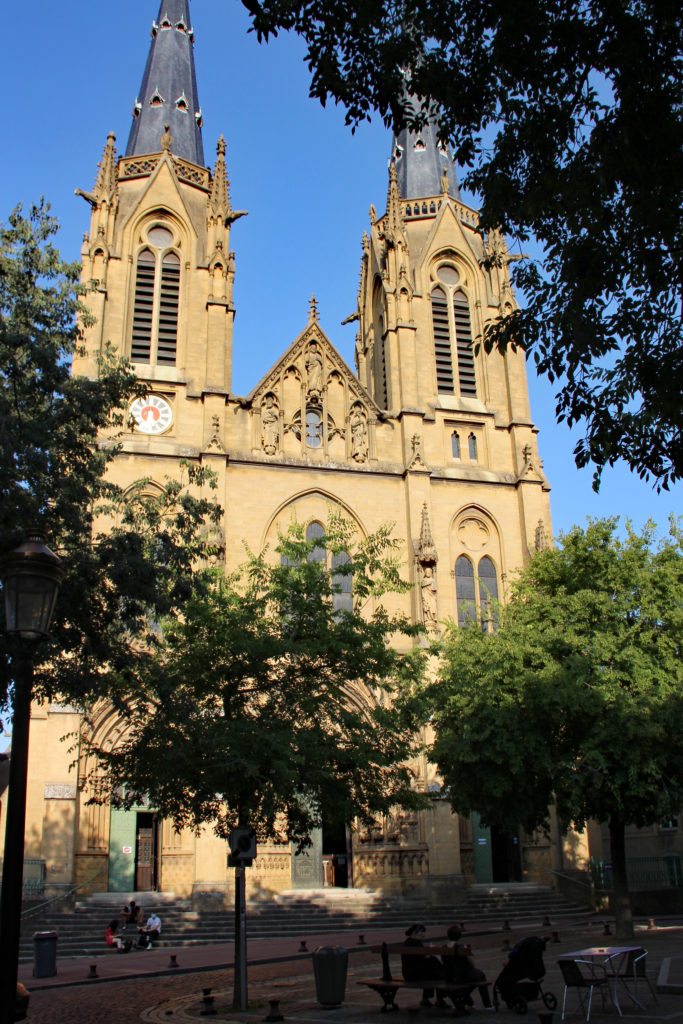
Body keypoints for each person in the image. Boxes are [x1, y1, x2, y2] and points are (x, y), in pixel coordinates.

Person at [442, 925, 493, 1010]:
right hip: (462, 975)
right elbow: (471, 963)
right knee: (481, 976)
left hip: (449, 976)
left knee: (471, 980)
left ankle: (469, 1002)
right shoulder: (461, 948)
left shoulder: (443, 948)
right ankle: (487, 1004)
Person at [401, 923, 444, 1007]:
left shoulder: (407, 942)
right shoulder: (416, 943)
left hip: (408, 972)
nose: (423, 936)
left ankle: (427, 999)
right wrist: (431, 951)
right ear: (415, 933)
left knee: (434, 969)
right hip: (414, 973)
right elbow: (423, 958)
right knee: (437, 972)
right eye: (422, 933)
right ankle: (439, 999)